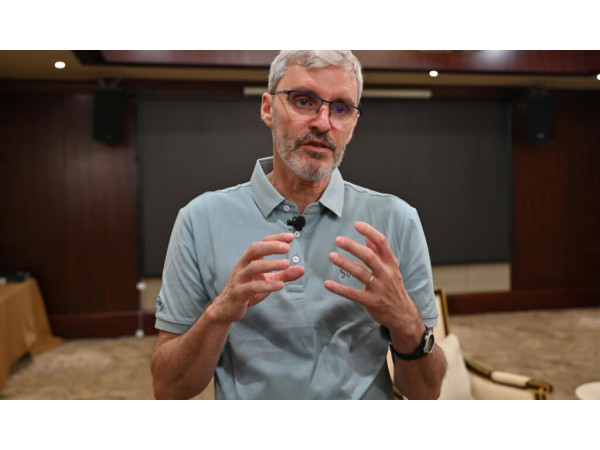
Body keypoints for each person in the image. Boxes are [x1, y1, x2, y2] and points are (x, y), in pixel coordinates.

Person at [151, 50, 447, 400]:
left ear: (353, 124)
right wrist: (218, 314)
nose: (323, 122)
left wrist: (407, 323)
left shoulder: (396, 220)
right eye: (304, 101)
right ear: (267, 109)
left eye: (341, 108)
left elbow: (426, 392)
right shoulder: (200, 219)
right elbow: (168, 388)